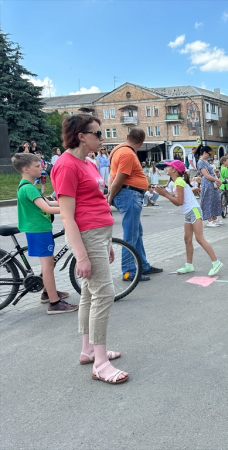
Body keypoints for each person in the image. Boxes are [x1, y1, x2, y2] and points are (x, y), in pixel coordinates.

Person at [52, 113, 128, 384]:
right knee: (104, 294)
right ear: (81, 136)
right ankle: (101, 363)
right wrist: (81, 256)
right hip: (87, 235)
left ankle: (89, 350)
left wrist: (106, 244)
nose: (102, 138)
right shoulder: (66, 166)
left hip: (100, 234)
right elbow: (66, 216)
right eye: (97, 133)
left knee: (88, 294)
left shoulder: (90, 164)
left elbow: (95, 202)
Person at [11, 153, 75, 314]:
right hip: (38, 230)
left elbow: (48, 202)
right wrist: (69, 210)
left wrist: (70, 202)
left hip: (37, 229)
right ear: (26, 169)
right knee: (48, 265)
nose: (42, 168)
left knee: (48, 263)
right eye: (37, 166)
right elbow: (46, 209)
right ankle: (54, 303)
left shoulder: (26, 186)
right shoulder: (29, 188)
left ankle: (48, 292)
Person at [107, 127, 162, 281]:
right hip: (129, 195)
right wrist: (109, 199)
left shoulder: (117, 149)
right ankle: (129, 271)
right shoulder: (128, 154)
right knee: (130, 236)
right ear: (142, 142)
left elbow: (112, 176)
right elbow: (119, 180)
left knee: (137, 233)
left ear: (127, 136)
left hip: (127, 195)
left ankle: (143, 265)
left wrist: (111, 195)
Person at [155, 160, 222, 276]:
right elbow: (180, 196)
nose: (167, 168)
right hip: (188, 213)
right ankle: (189, 265)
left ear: (174, 170)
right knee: (187, 239)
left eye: (169, 167)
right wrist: (165, 192)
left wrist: (165, 195)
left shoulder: (179, 182)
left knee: (200, 238)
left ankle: (216, 262)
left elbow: (179, 202)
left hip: (194, 211)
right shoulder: (176, 181)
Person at [197, 146, 223, 227]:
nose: (210, 156)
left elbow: (212, 172)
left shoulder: (206, 161)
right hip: (207, 183)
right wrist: (217, 180)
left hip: (212, 182)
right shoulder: (201, 162)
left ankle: (214, 218)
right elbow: (206, 175)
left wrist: (216, 179)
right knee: (208, 200)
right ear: (204, 152)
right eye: (209, 154)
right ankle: (209, 220)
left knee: (215, 199)